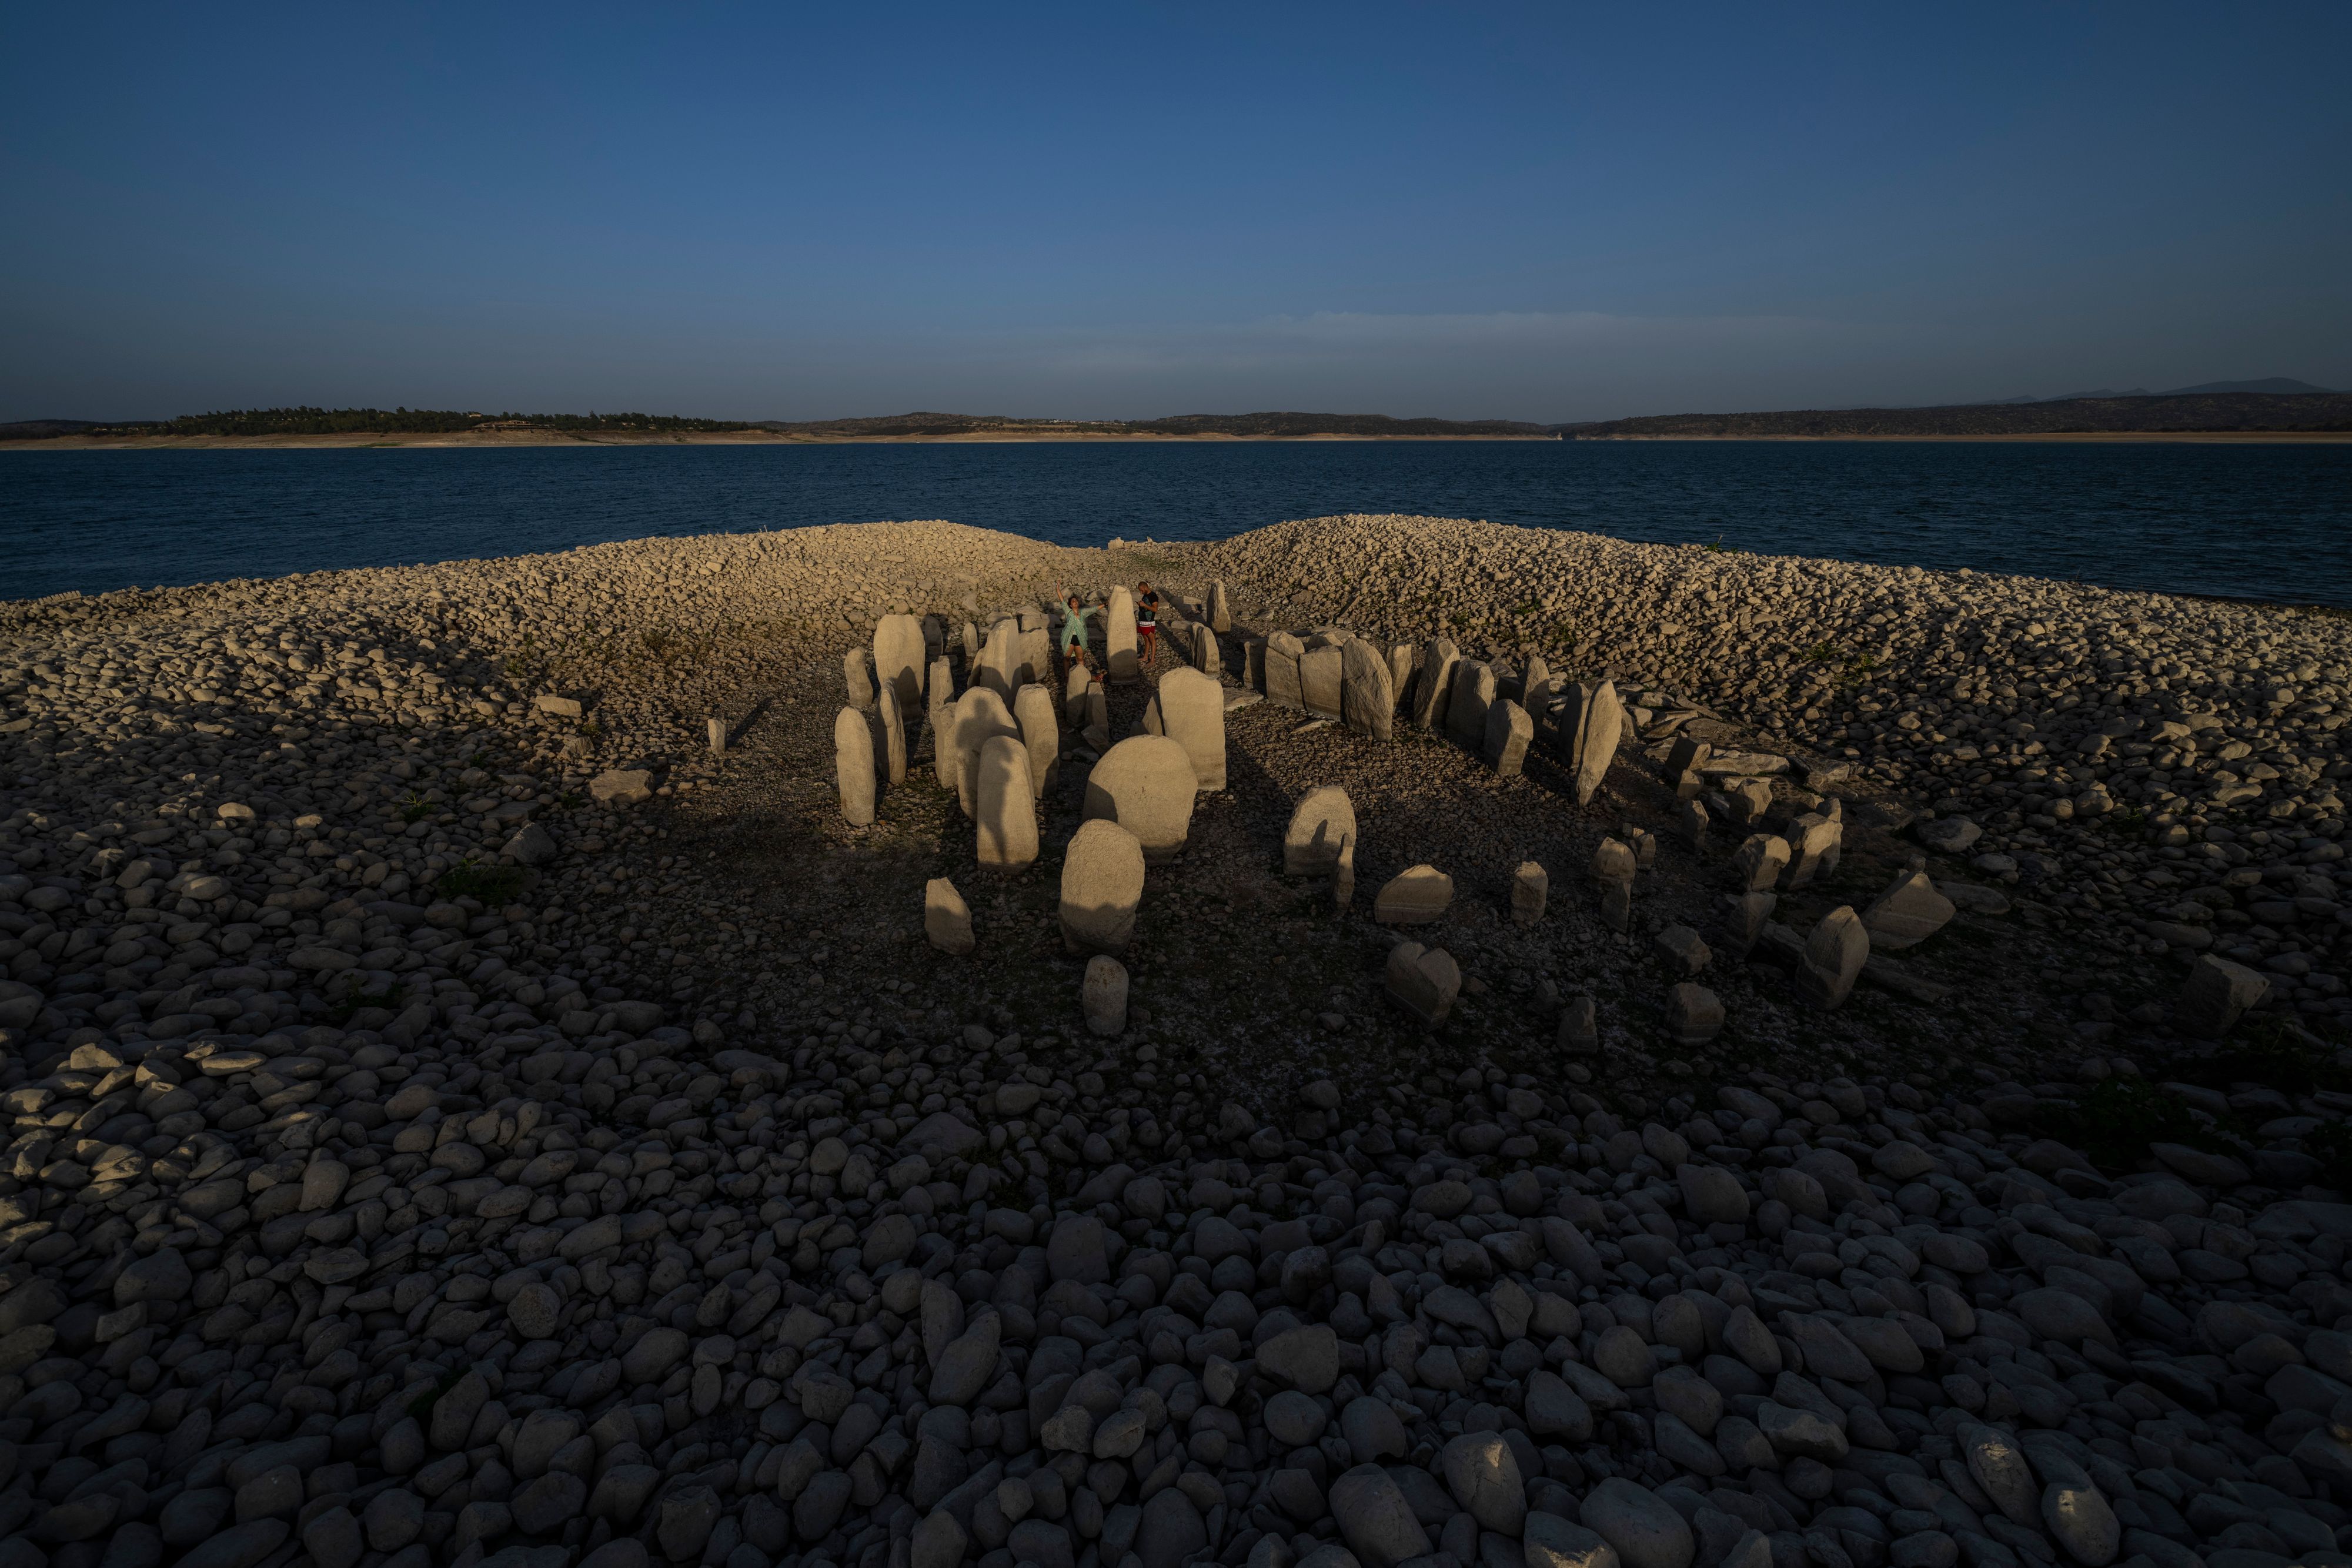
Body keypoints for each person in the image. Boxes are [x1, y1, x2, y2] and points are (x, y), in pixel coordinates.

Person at [1058, 594, 1093, 681]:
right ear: (1070, 605)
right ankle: (1067, 676)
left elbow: (1094, 609)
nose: (1075, 602)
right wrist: (1058, 589)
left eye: (1076, 601)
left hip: (1080, 639)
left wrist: (1104, 604)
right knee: (1067, 658)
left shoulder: (1083, 613)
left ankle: (1081, 676)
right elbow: (1062, 601)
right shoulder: (1068, 612)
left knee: (1080, 658)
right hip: (1069, 638)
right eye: (1073, 601)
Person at [1135, 583, 1160, 664]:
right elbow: (1145, 606)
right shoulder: (1145, 595)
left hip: (1149, 623)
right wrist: (1140, 605)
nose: (1141, 592)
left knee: (1152, 640)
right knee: (1146, 640)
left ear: (1145, 588)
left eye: (1141, 590)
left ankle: (1152, 660)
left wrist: (1144, 605)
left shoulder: (1153, 596)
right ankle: (1145, 657)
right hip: (1142, 622)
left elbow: (1155, 609)